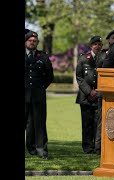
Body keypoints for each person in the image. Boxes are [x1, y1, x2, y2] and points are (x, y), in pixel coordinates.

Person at [25, 30, 54, 160]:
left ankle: (40, 148)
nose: (32, 42)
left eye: (34, 41)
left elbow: (49, 76)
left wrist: (40, 88)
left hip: (38, 96)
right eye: (30, 40)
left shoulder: (43, 56)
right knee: (28, 123)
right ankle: (30, 147)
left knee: (39, 122)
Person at [75, 36, 103, 154]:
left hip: (98, 95)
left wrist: (98, 91)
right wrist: (89, 91)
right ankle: (87, 147)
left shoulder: (104, 58)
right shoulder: (83, 58)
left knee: (98, 124)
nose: (97, 46)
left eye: (99, 44)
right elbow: (79, 77)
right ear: (91, 46)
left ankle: (97, 148)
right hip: (85, 97)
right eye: (95, 44)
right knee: (86, 123)